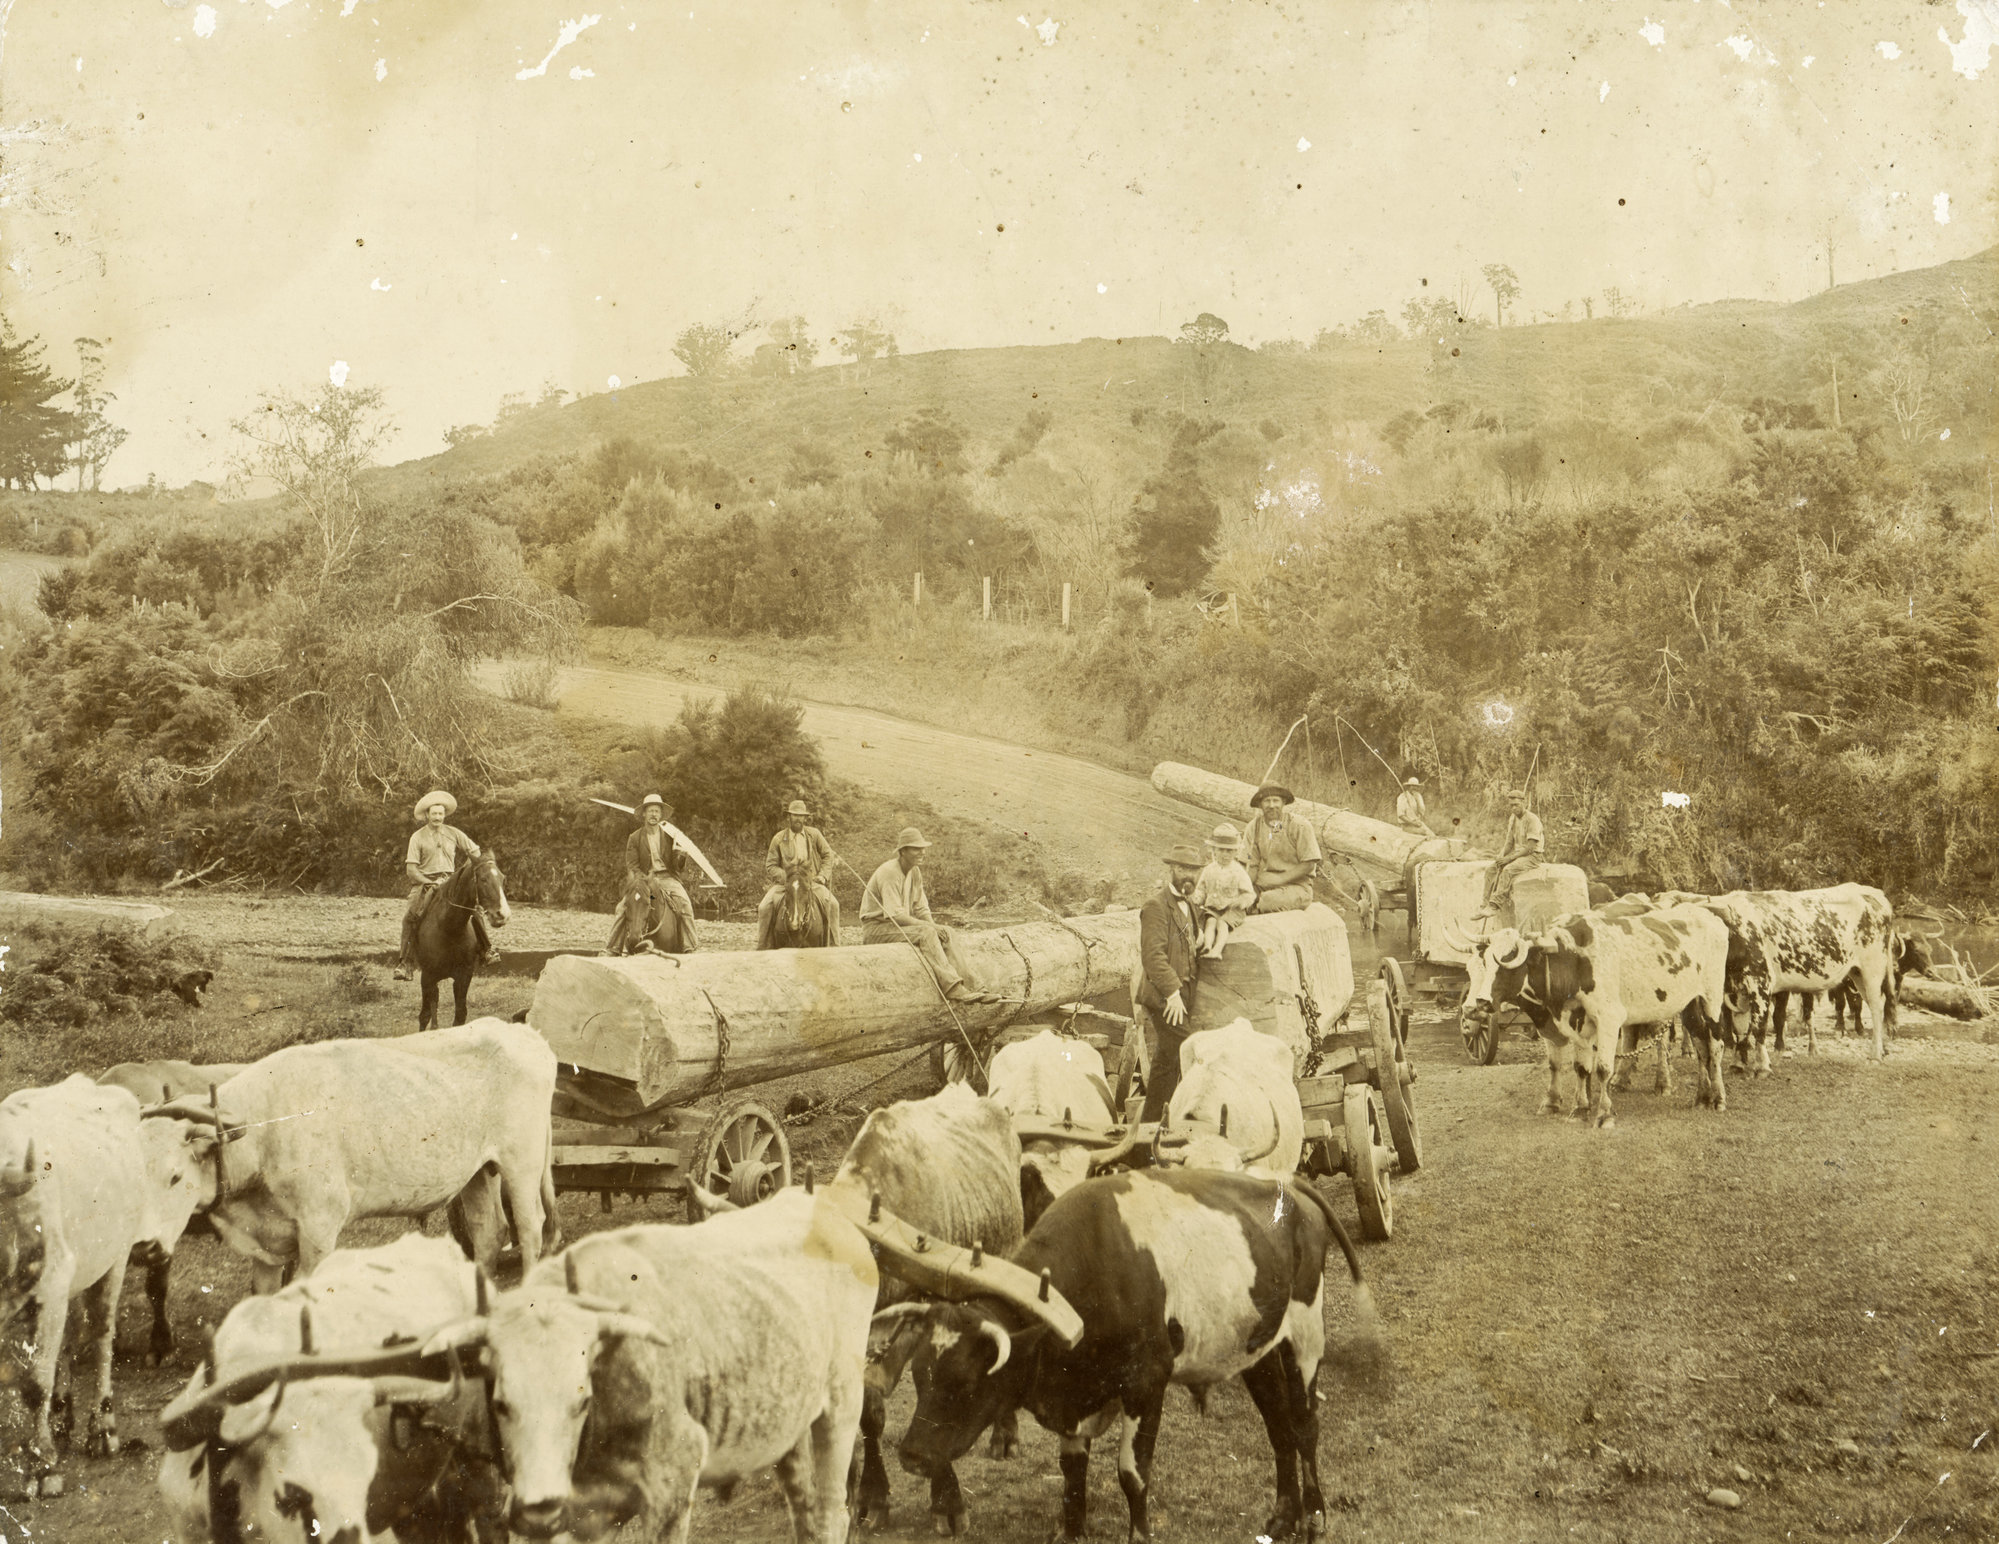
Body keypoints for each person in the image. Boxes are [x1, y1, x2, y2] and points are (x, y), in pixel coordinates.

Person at [860, 828, 999, 1007]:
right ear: (902, 851)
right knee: (926, 933)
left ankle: (975, 987)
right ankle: (953, 988)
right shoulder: (889, 872)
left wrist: (936, 927)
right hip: (876, 929)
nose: (922, 852)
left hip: (895, 926)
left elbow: (921, 908)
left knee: (947, 931)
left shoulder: (914, 872)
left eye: (923, 848)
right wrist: (931, 929)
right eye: (916, 849)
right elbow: (896, 915)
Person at [396, 791, 499, 980]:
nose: (437, 817)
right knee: (410, 917)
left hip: (451, 882)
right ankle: (405, 963)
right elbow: (411, 869)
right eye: (434, 814)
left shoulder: (454, 833)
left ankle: (486, 950)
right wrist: (429, 881)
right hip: (426, 883)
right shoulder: (417, 837)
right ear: (427, 815)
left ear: (445, 815)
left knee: (474, 908)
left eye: (441, 814)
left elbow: (475, 852)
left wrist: (463, 875)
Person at [1137, 843, 1206, 1122]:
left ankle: (1152, 1127)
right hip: (1165, 996)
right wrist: (1173, 993)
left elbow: (1189, 943)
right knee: (1190, 1047)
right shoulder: (1155, 906)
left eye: (1194, 870)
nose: (1188, 876)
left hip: (1183, 994)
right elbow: (1153, 957)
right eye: (1183, 869)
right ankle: (1189, 1117)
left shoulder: (1189, 904)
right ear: (1172, 870)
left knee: (1167, 1061)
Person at [604, 794, 700, 955]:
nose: (653, 814)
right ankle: (613, 948)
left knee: (684, 904)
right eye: (650, 811)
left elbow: (677, 868)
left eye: (656, 811)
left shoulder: (670, 836)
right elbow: (632, 865)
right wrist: (645, 880)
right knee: (622, 907)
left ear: (661, 815)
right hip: (643, 879)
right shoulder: (634, 837)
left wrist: (681, 855)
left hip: (667, 878)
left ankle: (690, 947)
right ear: (644, 814)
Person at [757, 799, 841, 947]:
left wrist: (822, 875)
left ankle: (834, 946)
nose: (798, 819)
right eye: (794, 815)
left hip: (811, 883)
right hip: (785, 885)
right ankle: (762, 948)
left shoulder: (814, 835)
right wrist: (787, 878)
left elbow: (828, 855)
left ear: (805, 818)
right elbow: (771, 865)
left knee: (833, 904)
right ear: (789, 817)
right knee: (764, 907)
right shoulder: (778, 838)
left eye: (801, 816)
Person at [1243, 783, 1323, 913]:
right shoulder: (1254, 827)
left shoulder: (1299, 825)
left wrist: (1280, 879)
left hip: (1297, 887)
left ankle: (1258, 909)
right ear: (1260, 805)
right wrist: (1246, 889)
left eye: (1276, 800)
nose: (1271, 805)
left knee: (1268, 901)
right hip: (1263, 884)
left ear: (1283, 802)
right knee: (1237, 899)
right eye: (1267, 801)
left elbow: (1309, 863)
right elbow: (1251, 864)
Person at [1477, 787, 1545, 920]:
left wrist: (1508, 859)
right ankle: (1484, 905)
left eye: (1516, 805)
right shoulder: (1513, 819)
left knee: (1508, 870)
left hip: (1533, 856)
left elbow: (1530, 847)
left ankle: (1494, 905)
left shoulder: (1532, 820)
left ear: (1523, 803)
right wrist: (1501, 857)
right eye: (1511, 805)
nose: (1513, 808)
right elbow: (1509, 842)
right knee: (1491, 869)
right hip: (1519, 854)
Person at [1191, 822, 1255, 959]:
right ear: (1213, 850)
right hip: (1214, 906)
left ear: (1236, 852)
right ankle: (1207, 946)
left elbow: (1249, 894)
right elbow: (1201, 889)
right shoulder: (1209, 869)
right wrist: (1196, 897)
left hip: (1233, 909)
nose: (1225, 855)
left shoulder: (1238, 871)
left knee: (1222, 923)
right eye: (1221, 850)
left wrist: (1241, 902)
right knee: (1210, 921)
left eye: (1229, 851)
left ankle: (1217, 950)